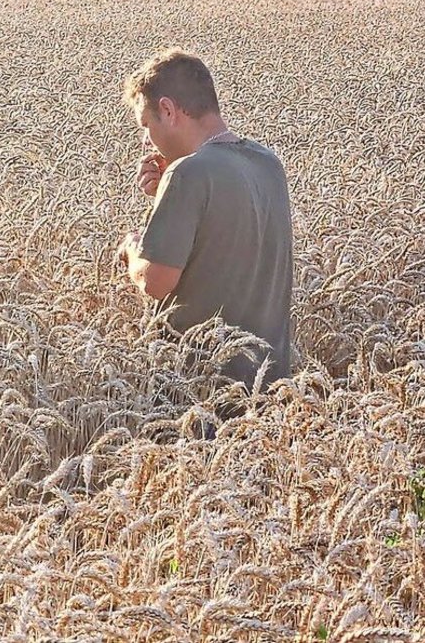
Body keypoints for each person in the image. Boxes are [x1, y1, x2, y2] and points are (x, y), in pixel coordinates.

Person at [115, 48, 294, 398]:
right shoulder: (267, 163)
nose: (145, 139)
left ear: (168, 110)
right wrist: (166, 198)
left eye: (146, 125)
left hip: (202, 388)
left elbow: (156, 282)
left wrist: (132, 252)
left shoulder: (189, 174)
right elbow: (226, 235)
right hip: (269, 386)